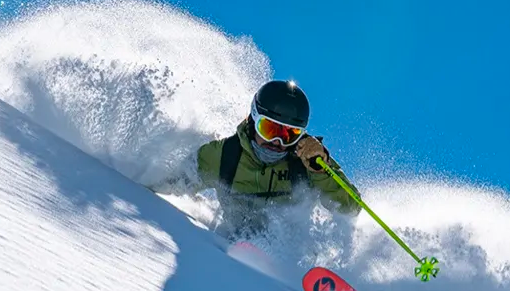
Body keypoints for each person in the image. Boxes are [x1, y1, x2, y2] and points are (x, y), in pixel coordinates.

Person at [152, 79, 362, 238]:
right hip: (230, 248)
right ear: (253, 120)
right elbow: (172, 182)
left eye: (290, 135)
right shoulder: (224, 155)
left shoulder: (309, 162)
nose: (277, 141)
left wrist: (321, 170)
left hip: (291, 255)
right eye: (269, 129)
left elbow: (351, 208)